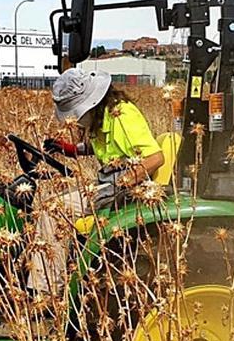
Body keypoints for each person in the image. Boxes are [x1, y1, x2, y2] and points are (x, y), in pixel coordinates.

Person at [26, 68, 165, 293]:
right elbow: (101, 147)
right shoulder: (104, 117)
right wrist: (69, 149)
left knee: (52, 211)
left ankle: (47, 292)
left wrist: (122, 184)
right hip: (110, 183)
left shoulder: (122, 115)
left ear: (90, 104)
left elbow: (155, 158)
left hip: (124, 189)